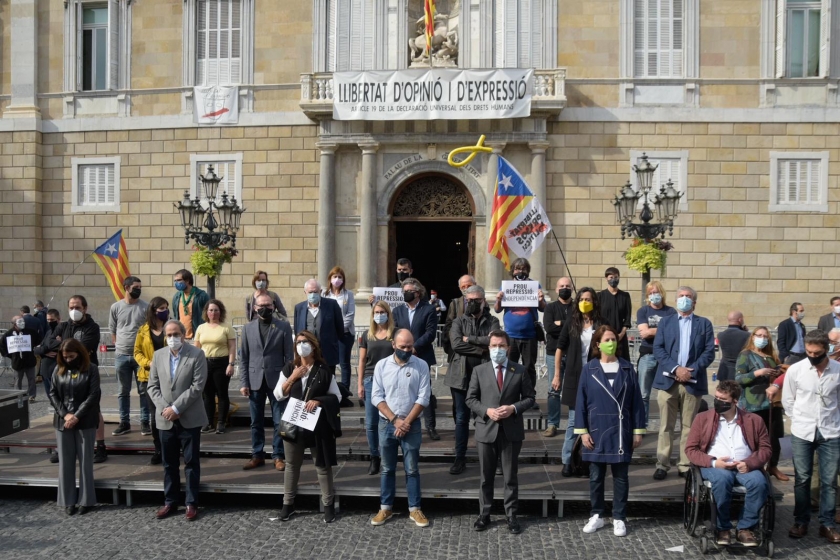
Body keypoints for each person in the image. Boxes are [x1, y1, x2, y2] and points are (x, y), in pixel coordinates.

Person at [575, 326, 645, 537]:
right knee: (596, 476)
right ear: (597, 344)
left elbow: (637, 402)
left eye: (613, 339)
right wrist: (583, 431)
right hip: (597, 429)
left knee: (621, 476)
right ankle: (596, 514)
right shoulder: (589, 369)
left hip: (621, 430)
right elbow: (581, 402)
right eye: (607, 340)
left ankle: (619, 517)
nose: (611, 343)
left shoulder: (627, 368)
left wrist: (638, 430)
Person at [685, 380, 772, 547]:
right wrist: (713, 462)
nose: (718, 402)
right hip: (715, 466)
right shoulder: (702, 418)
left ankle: (745, 528)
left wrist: (749, 463)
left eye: (723, 400)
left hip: (744, 466)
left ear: (735, 401)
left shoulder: (754, 420)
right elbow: (691, 449)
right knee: (723, 479)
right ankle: (722, 527)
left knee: (759, 483)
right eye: (716, 397)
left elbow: (766, 449)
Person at [466, 330, 535, 534]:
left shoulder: (519, 370)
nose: (498, 349)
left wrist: (513, 408)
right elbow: (470, 399)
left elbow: (530, 398)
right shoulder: (479, 370)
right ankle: (484, 514)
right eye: (494, 346)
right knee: (485, 476)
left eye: (501, 346)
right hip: (486, 429)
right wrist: (486, 411)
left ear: (508, 348)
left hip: (511, 431)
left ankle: (511, 515)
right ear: (489, 348)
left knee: (510, 476)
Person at [273, 330, 343, 523]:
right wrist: (293, 377)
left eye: (305, 342)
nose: (301, 345)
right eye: (298, 342)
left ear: (313, 346)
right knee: (291, 465)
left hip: (317, 426)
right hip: (293, 424)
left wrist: (319, 401)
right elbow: (278, 394)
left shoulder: (323, 370)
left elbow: (336, 396)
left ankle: (328, 504)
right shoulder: (290, 368)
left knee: (322, 466)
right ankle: (288, 504)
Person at [652, 286, 715, 480]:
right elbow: (658, 348)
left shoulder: (704, 324)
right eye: (681, 296)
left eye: (688, 296)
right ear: (676, 299)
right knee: (665, 426)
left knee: (689, 426)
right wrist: (676, 369)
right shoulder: (666, 322)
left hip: (692, 382)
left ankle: (685, 465)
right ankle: (662, 464)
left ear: (694, 302)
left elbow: (709, 352)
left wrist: (689, 371)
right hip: (667, 381)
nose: (684, 299)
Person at [782, 329, 840, 543]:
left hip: (831, 431)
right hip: (802, 430)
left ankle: (827, 523)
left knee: (829, 480)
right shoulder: (796, 370)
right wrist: (798, 419)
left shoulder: (837, 370)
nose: (813, 356)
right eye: (809, 352)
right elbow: (788, 400)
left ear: (826, 349)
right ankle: (801, 521)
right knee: (802, 478)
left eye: (817, 353)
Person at [148, 320, 208, 521]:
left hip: (189, 417)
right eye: (169, 335)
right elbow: (152, 386)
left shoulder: (197, 354)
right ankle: (170, 501)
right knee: (169, 464)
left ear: (183, 335)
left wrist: (176, 408)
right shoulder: (158, 355)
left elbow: (197, 386)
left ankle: (191, 502)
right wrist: (166, 409)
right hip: (165, 419)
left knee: (191, 462)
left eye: (176, 334)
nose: (172, 338)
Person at [370, 329, 431, 528]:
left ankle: (415, 508)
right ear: (393, 345)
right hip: (387, 423)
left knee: (412, 469)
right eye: (402, 346)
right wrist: (395, 420)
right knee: (387, 468)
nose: (406, 350)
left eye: (409, 346)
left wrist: (406, 422)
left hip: (411, 425)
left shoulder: (421, 365)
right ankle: (385, 507)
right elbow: (376, 396)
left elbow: (424, 397)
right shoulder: (381, 365)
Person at [45, 296, 107, 463]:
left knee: (93, 408)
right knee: (63, 407)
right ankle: (61, 447)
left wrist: (62, 344)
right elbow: (48, 342)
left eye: (78, 307)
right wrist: (65, 346)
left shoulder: (92, 327)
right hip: (65, 373)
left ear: (85, 308)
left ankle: (100, 446)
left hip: (86, 372)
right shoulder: (63, 326)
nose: (74, 310)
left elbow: (84, 347)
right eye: (71, 307)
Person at [446, 285, 499, 475]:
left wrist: (470, 339)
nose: (472, 303)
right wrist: (481, 348)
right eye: (469, 300)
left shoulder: (493, 321)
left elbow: (493, 342)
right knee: (461, 419)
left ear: (484, 301)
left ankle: (490, 460)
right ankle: (459, 458)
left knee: (485, 418)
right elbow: (456, 344)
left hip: (484, 377)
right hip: (460, 377)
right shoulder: (458, 321)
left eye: (476, 300)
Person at [240, 293, 294, 471]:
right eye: (261, 305)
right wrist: (244, 382)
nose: (265, 308)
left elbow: (289, 357)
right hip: (255, 380)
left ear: (274, 307)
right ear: (255, 308)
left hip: (277, 380)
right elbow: (244, 358)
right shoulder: (247, 328)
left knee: (279, 421)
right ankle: (257, 454)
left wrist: (288, 381)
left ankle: (278, 455)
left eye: (268, 305)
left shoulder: (283, 327)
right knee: (256, 421)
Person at [48, 339, 101, 516]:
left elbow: (93, 395)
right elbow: (52, 393)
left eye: (71, 356)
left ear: (79, 353)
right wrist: (65, 414)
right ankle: (68, 500)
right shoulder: (58, 368)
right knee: (65, 463)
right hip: (63, 421)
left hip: (85, 420)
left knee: (86, 462)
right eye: (65, 357)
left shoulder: (91, 369)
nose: (68, 360)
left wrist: (77, 415)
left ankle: (86, 500)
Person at [554, 287, 604, 476]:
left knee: (594, 421)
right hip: (575, 377)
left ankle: (587, 461)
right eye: (582, 299)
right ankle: (567, 460)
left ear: (594, 302)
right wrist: (557, 375)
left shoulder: (601, 323)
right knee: (574, 421)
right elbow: (560, 348)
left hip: (596, 377)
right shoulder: (571, 322)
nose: (584, 302)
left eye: (588, 299)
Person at [734, 327, 787, 481]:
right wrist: (758, 373)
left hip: (773, 402)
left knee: (776, 436)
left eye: (765, 336)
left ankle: (773, 466)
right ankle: (755, 466)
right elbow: (738, 379)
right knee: (756, 438)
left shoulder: (771, 356)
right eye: (759, 335)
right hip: (753, 404)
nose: (762, 338)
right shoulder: (746, 355)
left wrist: (777, 372)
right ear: (753, 336)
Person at [393, 277, 440, 440]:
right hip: (402, 356)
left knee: (425, 391)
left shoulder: (429, 309)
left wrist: (414, 347)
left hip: (422, 355)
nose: (406, 293)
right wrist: (403, 348)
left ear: (418, 293)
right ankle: (402, 422)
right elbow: (395, 331)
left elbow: (430, 332)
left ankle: (431, 427)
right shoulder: (397, 310)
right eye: (404, 291)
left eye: (409, 291)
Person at [493, 258, 546, 390]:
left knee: (529, 367)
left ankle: (529, 394)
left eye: (523, 269)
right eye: (517, 269)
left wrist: (541, 299)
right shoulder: (506, 286)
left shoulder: (535, 286)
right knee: (510, 367)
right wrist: (498, 299)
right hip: (510, 336)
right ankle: (511, 394)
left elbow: (543, 308)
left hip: (530, 335)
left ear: (528, 271)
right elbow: (497, 309)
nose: (520, 271)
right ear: (512, 271)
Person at [357, 301, 395, 476]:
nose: (379, 315)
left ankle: (387, 455)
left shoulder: (395, 333)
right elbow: (362, 360)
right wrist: (359, 384)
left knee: (388, 419)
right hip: (371, 380)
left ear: (388, 313)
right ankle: (374, 456)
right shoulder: (367, 335)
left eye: (382, 312)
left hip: (390, 380)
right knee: (371, 422)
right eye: (376, 312)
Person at [109, 276, 150, 436]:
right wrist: (119, 345)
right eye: (135, 287)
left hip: (140, 357)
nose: (138, 290)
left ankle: (145, 422)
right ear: (126, 288)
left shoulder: (145, 307)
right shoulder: (116, 307)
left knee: (143, 390)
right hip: (121, 355)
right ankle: (124, 422)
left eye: (140, 287)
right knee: (122, 391)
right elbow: (113, 329)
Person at [134, 297, 170, 464]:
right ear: (153, 310)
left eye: (166, 308)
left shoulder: (171, 327)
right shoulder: (143, 330)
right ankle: (158, 449)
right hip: (149, 377)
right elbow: (137, 352)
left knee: (169, 411)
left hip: (169, 376)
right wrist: (148, 363)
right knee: (155, 415)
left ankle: (172, 447)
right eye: (161, 308)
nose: (165, 311)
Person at [635, 281, 676, 428]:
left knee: (667, 394)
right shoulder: (643, 311)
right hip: (648, 355)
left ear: (662, 293)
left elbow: (673, 332)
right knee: (643, 394)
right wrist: (664, 329)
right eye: (651, 293)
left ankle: (666, 426)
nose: (654, 295)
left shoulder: (671, 312)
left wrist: (653, 331)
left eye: (656, 292)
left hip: (666, 356)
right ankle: (642, 426)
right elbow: (644, 333)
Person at [194, 299, 236, 434]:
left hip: (221, 363)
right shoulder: (201, 328)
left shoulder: (226, 327)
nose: (213, 313)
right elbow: (197, 348)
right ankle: (208, 422)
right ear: (206, 312)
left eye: (216, 310)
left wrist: (231, 364)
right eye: (211, 310)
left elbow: (232, 347)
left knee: (222, 393)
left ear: (220, 311)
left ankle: (221, 422)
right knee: (207, 394)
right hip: (204, 363)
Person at [542, 277, 574, 437]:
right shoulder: (550, 307)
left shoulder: (577, 307)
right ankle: (552, 424)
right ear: (556, 289)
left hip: (573, 352)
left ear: (572, 289)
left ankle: (576, 423)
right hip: (553, 352)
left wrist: (560, 323)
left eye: (567, 286)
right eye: (561, 286)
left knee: (575, 388)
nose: (564, 288)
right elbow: (549, 328)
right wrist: (568, 324)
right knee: (553, 390)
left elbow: (579, 327)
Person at [293, 279, 344, 374]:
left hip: (327, 353)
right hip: (307, 353)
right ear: (305, 292)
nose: (313, 294)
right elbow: (297, 331)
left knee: (328, 379)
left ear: (320, 291)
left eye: (315, 292)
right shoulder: (299, 308)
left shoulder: (332, 305)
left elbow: (340, 328)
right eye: (310, 292)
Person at [322, 266, 357, 390]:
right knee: (329, 362)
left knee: (344, 363)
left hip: (345, 334)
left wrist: (339, 329)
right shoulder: (324, 294)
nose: (337, 279)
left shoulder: (348, 294)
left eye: (340, 277)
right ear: (330, 279)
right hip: (329, 335)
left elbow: (350, 314)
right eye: (335, 276)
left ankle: (345, 390)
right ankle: (330, 389)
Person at [1, 314, 42, 403]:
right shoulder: (8, 333)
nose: (22, 323)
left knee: (31, 379)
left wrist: (32, 347)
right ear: (14, 323)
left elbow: (38, 340)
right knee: (18, 380)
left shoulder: (31, 331)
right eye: (20, 321)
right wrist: (10, 355)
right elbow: (2, 346)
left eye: (23, 321)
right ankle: (17, 396)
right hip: (17, 361)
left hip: (29, 360)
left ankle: (32, 395)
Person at [596, 267, 632, 360]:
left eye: (616, 277)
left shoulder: (625, 296)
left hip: (620, 336)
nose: (613, 279)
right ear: (606, 279)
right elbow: (597, 317)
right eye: (611, 277)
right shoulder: (600, 296)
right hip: (604, 336)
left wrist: (621, 334)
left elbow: (627, 318)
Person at [442, 275, 476, 361]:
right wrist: (457, 338)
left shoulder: (482, 302)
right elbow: (448, 325)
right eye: (463, 287)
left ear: (475, 285)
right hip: (457, 347)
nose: (466, 288)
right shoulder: (455, 303)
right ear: (459, 288)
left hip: (474, 346)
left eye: (469, 286)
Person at [171, 269, 209, 340]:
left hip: (197, 337)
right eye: (175, 281)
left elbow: (208, 315)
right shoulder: (177, 297)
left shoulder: (201, 296)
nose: (176, 283)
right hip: (181, 337)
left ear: (187, 280)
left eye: (179, 280)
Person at [34, 309, 61, 401]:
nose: (49, 322)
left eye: (52, 320)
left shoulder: (62, 332)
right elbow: (36, 349)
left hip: (56, 369)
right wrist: (44, 351)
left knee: (58, 398)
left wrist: (44, 348)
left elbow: (49, 345)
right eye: (48, 320)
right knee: (51, 398)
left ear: (58, 319)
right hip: (45, 370)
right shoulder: (48, 332)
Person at [716, 311, 750, 382]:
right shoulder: (747, 335)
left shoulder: (720, 335)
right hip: (740, 370)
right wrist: (745, 331)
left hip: (724, 371)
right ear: (740, 319)